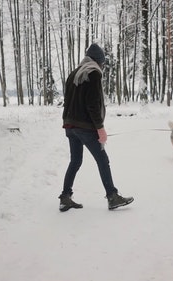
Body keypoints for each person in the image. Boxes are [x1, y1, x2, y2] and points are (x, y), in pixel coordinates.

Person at [59, 43, 134, 212]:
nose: (103, 67)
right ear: (98, 61)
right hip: (85, 126)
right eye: (103, 63)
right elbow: (92, 103)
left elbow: (68, 101)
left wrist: (69, 123)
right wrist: (100, 128)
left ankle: (65, 197)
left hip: (70, 125)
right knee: (102, 160)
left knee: (75, 161)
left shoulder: (73, 74)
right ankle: (112, 196)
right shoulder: (93, 73)